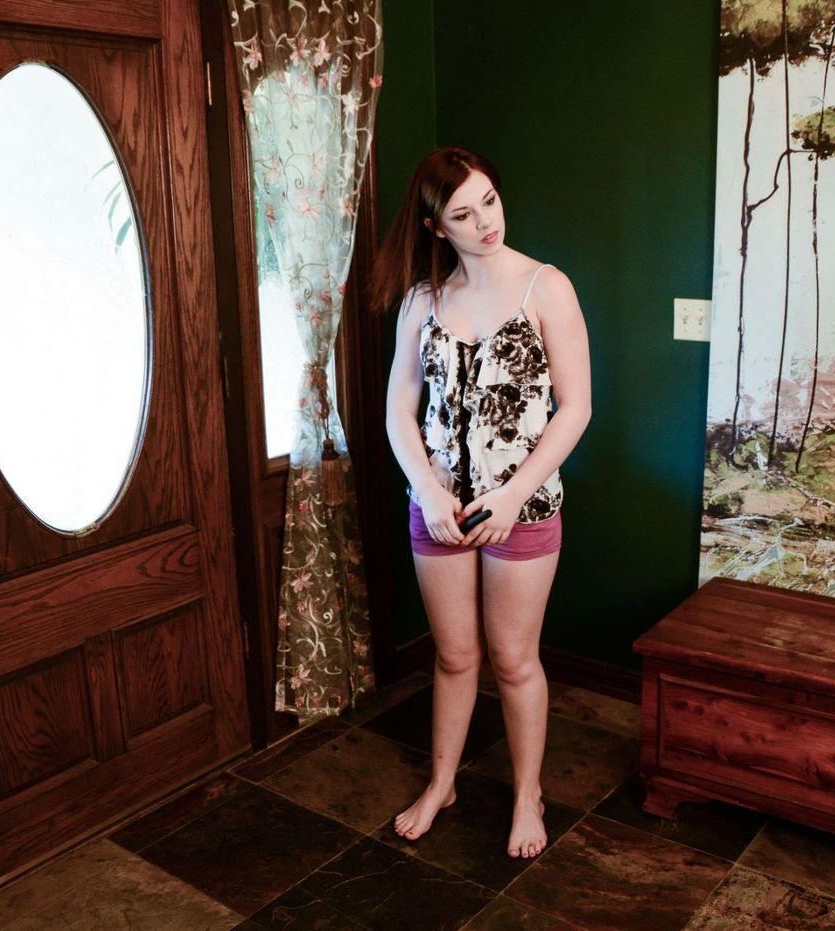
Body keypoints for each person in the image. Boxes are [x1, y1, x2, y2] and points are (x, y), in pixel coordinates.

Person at [370, 147, 591, 859]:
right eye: (463, 214)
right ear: (436, 226)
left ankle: (528, 794)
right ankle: (442, 783)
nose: (485, 222)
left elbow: (576, 407)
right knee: (455, 655)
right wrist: (428, 491)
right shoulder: (422, 300)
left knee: (514, 659)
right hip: (437, 509)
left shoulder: (546, 287)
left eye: (489, 201)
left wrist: (514, 495)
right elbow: (399, 411)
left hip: (522, 508)